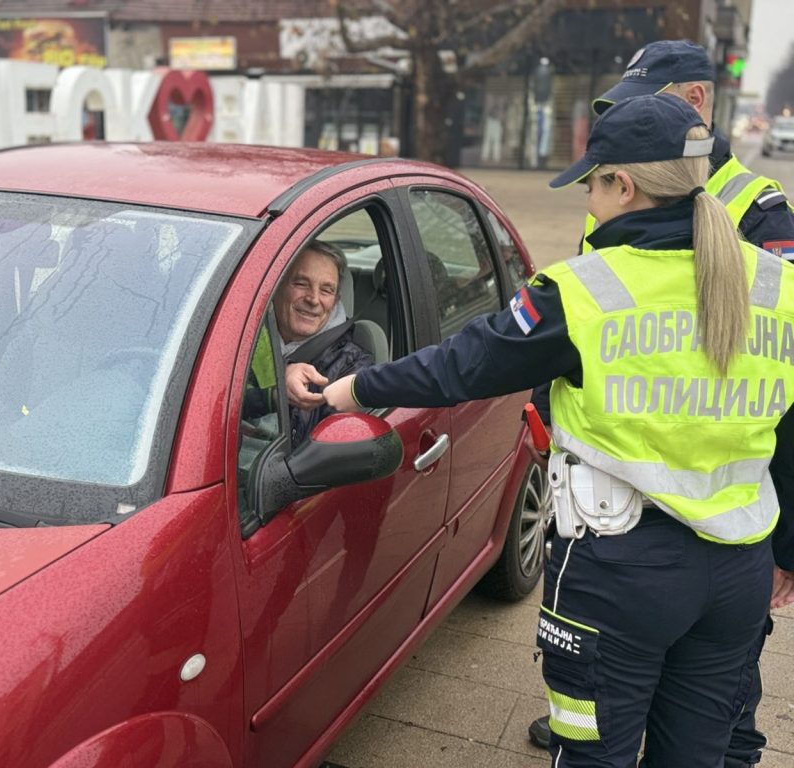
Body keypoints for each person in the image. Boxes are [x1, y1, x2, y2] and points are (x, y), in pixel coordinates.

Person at [322, 94, 794, 768]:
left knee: (593, 757)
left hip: (621, 570)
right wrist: (789, 551)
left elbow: (463, 366)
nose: (590, 204)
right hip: (739, 571)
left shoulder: (582, 292)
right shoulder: (779, 287)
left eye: (593, 186)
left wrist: (357, 386)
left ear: (621, 184)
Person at [529, 39, 794, 766]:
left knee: (717, 724)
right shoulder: (626, 186)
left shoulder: (761, 215)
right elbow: (588, 319)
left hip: (710, 524)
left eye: (651, 97)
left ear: (698, 102)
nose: (635, 114)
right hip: (634, 509)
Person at [579, 39, 794, 258]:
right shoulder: (608, 191)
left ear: (694, 99)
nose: (626, 119)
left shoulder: (761, 214)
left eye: (643, 106)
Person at [244, 240, 372, 446]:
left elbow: (331, 454)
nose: (313, 299)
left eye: (326, 290)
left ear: (337, 299)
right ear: (276, 287)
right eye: (301, 284)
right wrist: (272, 394)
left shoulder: (353, 365)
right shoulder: (241, 336)